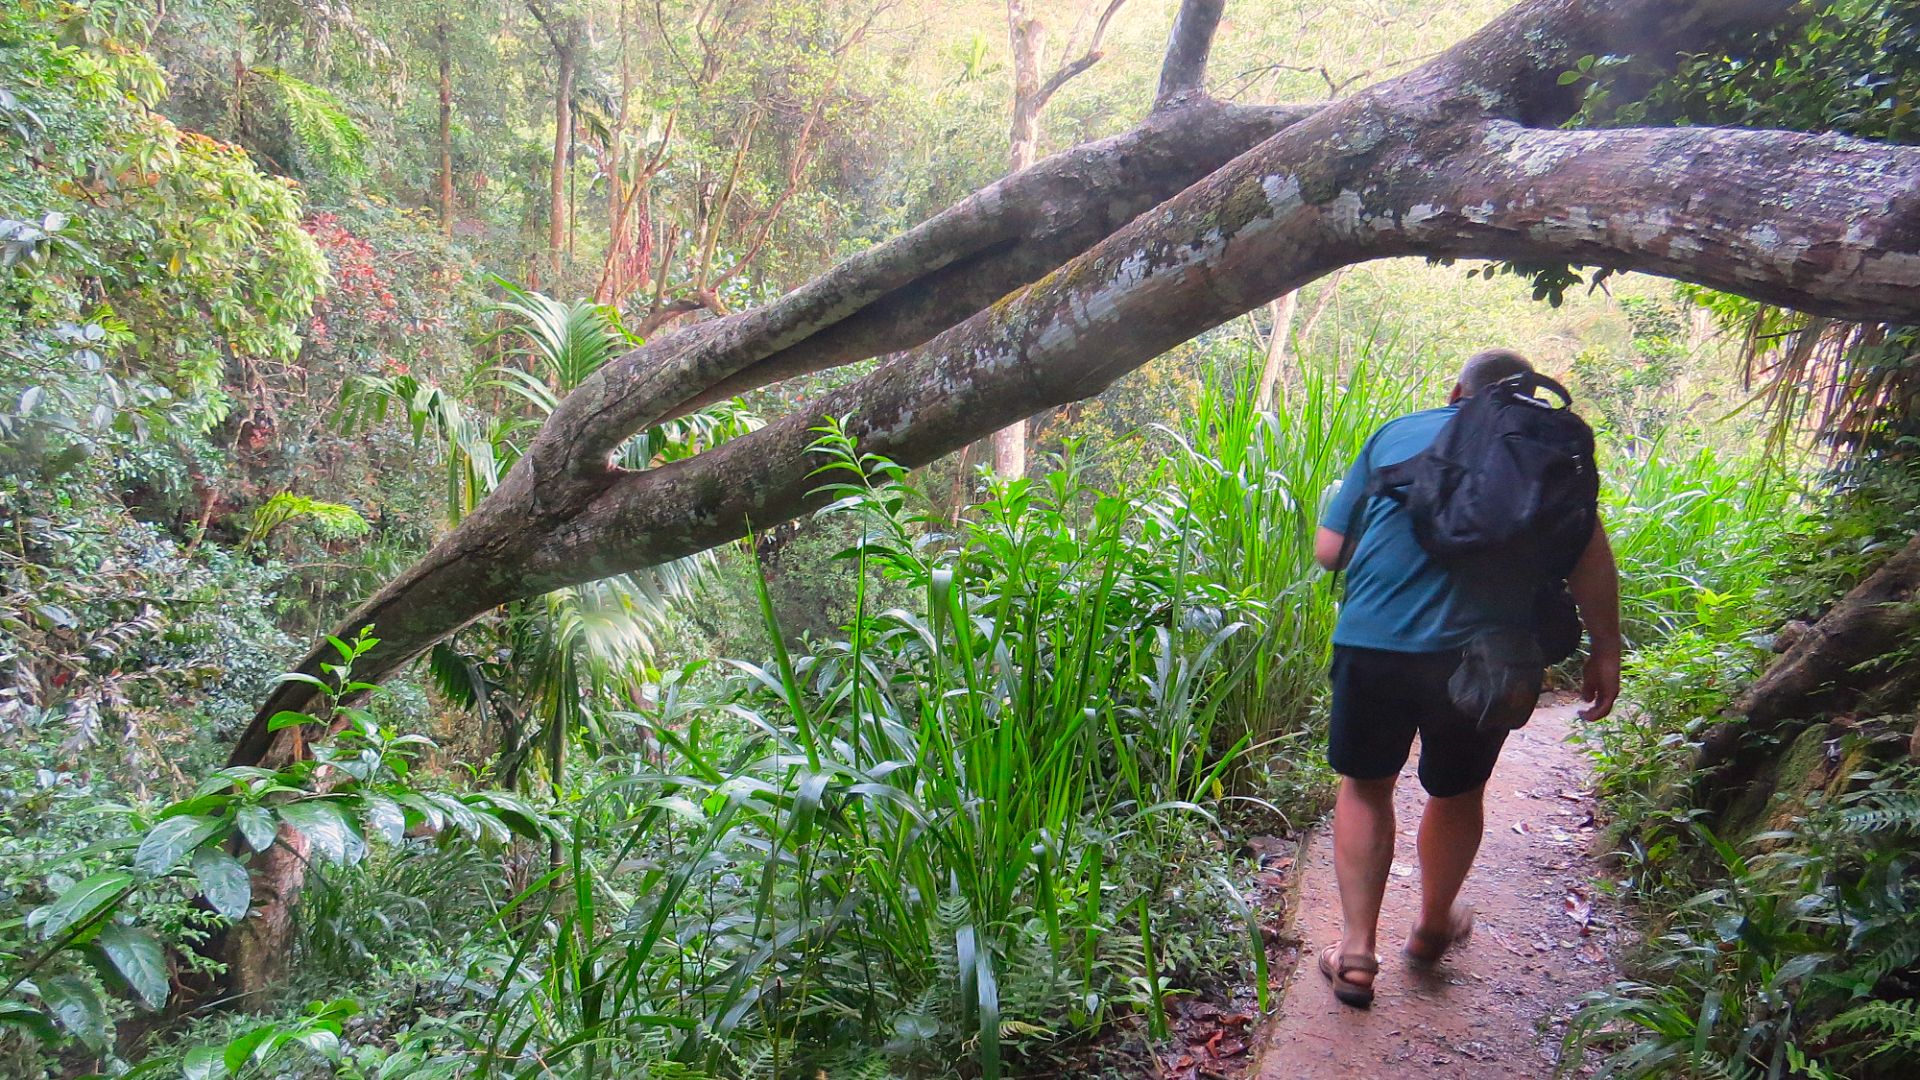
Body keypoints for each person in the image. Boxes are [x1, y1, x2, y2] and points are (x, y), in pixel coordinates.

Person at [1308, 347, 1622, 1008]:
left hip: (1377, 640)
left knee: (1366, 786)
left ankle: (1358, 954)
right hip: (1489, 658)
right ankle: (1429, 929)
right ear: (1529, 400)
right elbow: (1589, 557)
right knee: (1458, 792)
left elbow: (1330, 551)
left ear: (1457, 392)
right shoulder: (1547, 455)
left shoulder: (1400, 433)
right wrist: (1606, 649)